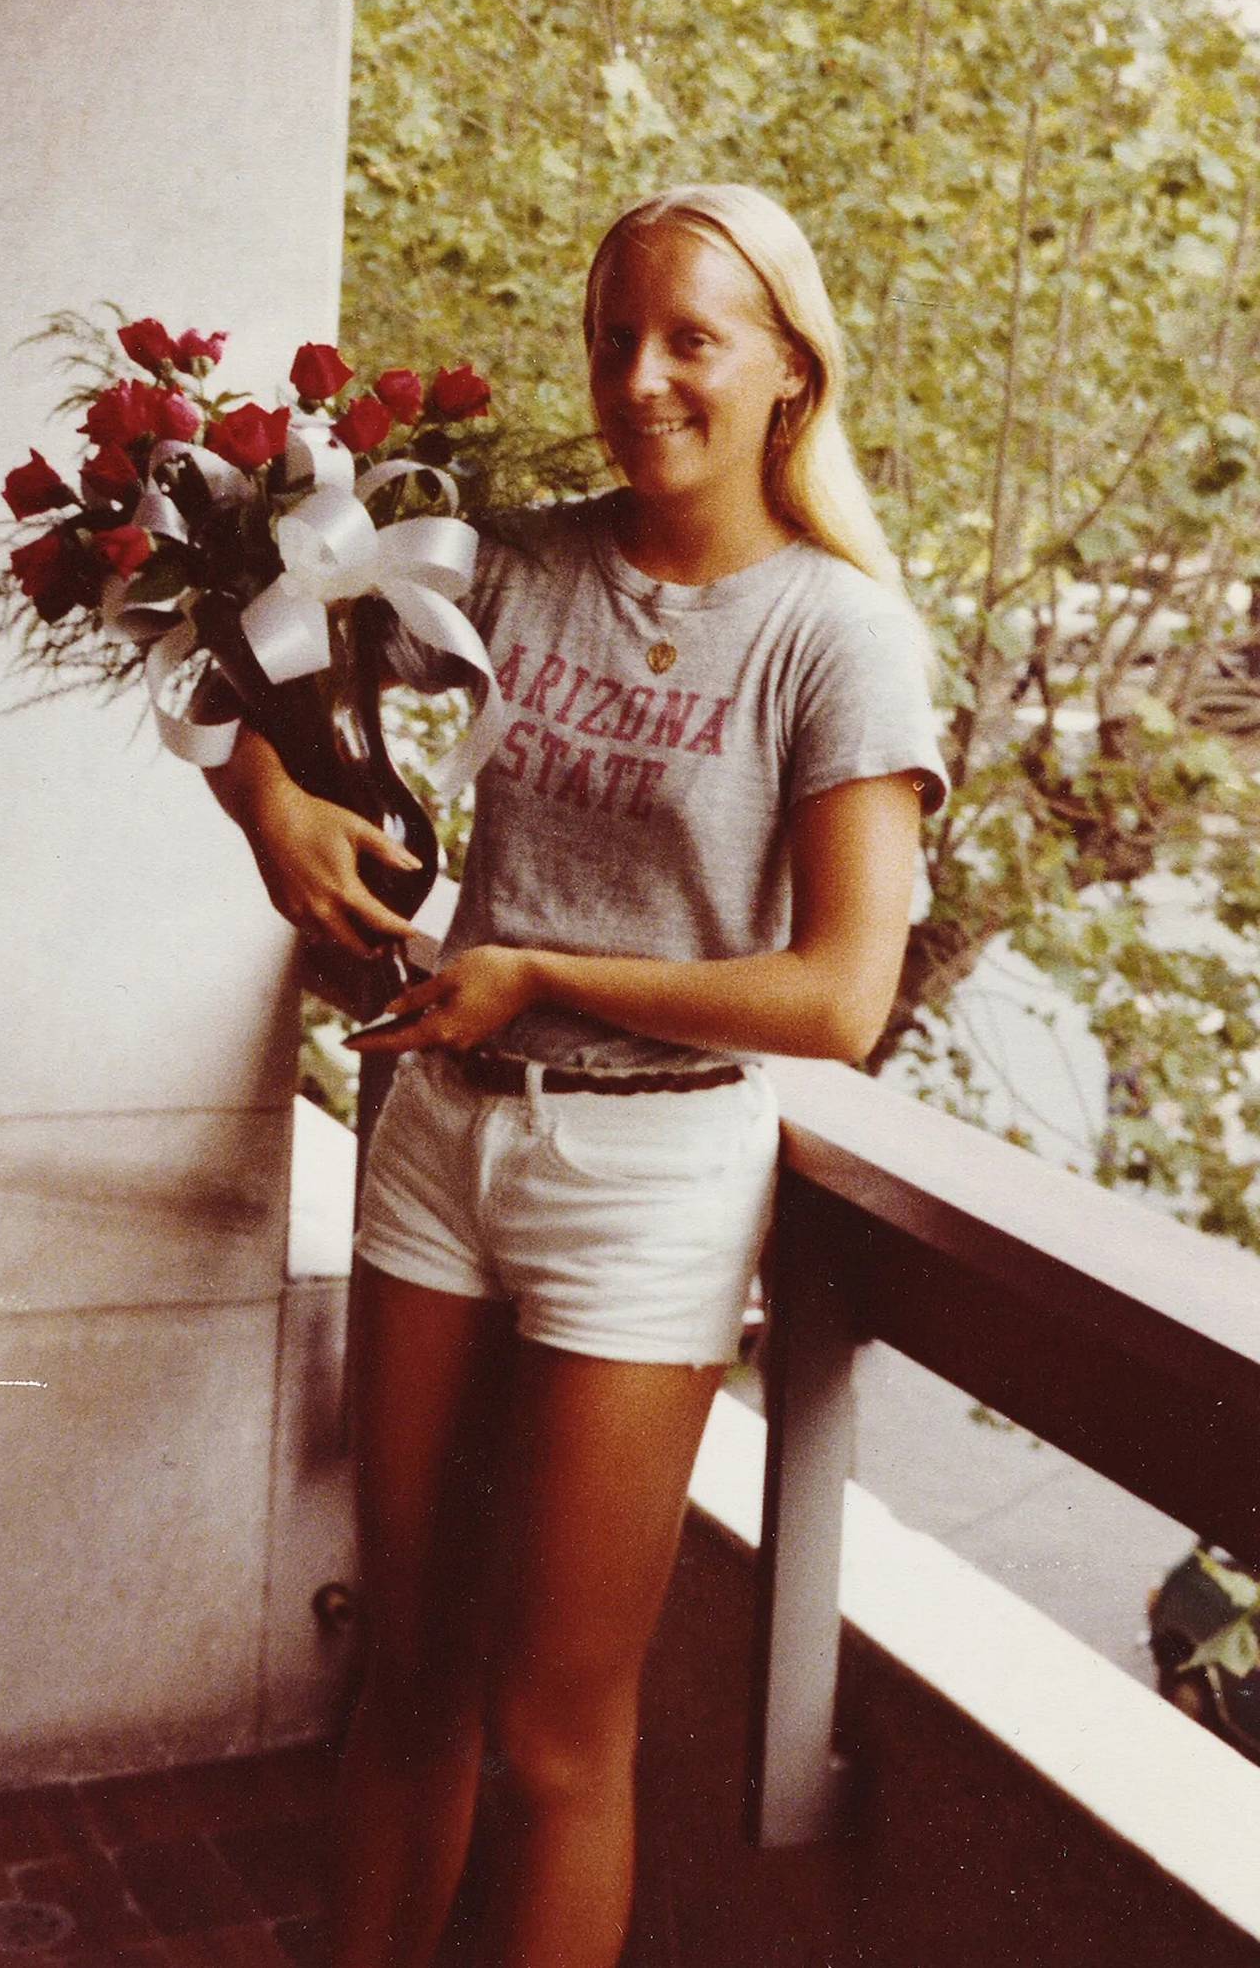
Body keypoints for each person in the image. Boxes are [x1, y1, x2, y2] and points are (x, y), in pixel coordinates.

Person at [206, 183, 949, 1968]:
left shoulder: (837, 635)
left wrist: (537, 971)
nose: (641, 377)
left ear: (790, 368)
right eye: (617, 335)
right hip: (438, 1139)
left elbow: (842, 996)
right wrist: (268, 809)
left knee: (552, 1734)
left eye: (693, 337)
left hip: (652, 1178)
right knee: (407, 1678)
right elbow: (225, 652)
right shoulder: (513, 563)